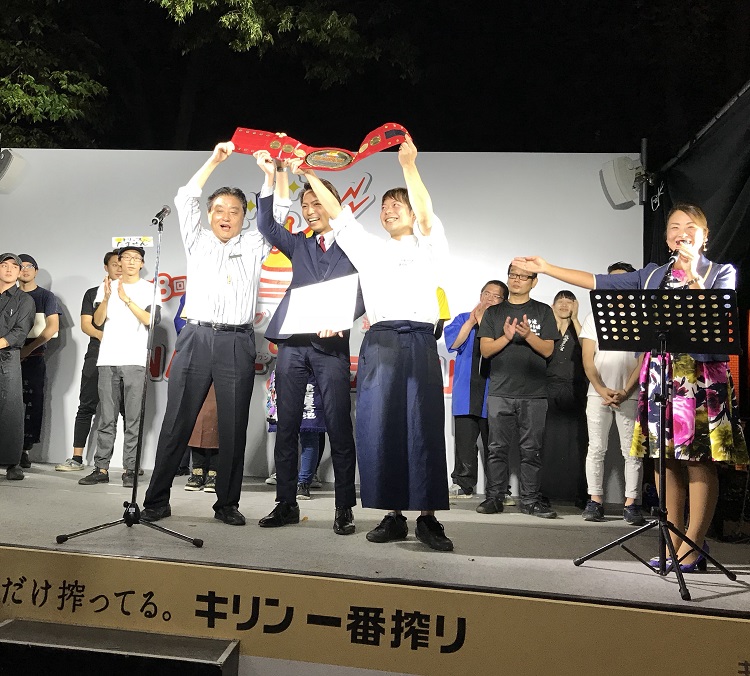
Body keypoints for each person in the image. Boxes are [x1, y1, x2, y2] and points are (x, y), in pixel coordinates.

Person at [513, 203, 749, 570]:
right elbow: (599, 282)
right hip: (660, 376)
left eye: (691, 226)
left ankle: (695, 546)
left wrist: (693, 276)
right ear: (667, 238)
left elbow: (715, 316)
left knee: (698, 460)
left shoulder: (721, 272)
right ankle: (673, 543)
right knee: (665, 461)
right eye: (674, 226)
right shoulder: (652, 275)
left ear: (705, 237)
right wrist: (546, 267)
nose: (682, 232)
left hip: (701, 379)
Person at [294, 135, 454, 551]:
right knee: (380, 428)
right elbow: (338, 214)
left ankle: (428, 519)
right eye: (384, 206)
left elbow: (426, 212)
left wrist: (408, 167)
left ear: (412, 212)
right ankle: (393, 515)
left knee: (423, 428)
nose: (389, 210)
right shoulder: (369, 250)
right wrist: (309, 172)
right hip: (379, 343)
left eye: (397, 204)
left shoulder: (430, 245)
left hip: (418, 341)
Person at [141, 143, 278, 527]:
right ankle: (156, 500)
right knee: (176, 422)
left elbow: (276, 215)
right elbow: (185, 197)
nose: (226, 216)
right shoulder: (197, 239)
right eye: (219, 210)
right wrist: (215, 160)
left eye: (235, 211)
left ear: (244, 217)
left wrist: (270, 176)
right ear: (209, 214)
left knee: (233, 427)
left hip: (237, 340)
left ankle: (227, 504)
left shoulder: (254, 243)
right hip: (196, 338)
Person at [255, 151, 361, 535]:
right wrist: (270, 178)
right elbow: (266, 224)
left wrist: (343, 319)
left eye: (317, 203)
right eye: (305, 205)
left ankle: (344, 507)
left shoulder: (354, 245)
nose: (310, 210)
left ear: (333, 206)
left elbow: (366, 291)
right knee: (286, 426)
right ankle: (285, 503)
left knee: (338, 427)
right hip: (293, 345)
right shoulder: (299, 243)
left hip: (330, 348)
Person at [477, 264, 560, 518]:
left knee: (531, 451)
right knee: (496, 449)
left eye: (524, 277)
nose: (517, 280)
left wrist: (528, 336)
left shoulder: (543, 311)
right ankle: (494, 498)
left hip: (534, 394)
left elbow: (548, 350)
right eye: (513, 275)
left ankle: (531, 500)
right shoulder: (494, 312)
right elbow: (485, 350)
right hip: (500, 392)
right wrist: (506, 337)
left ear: (534, 282)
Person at [77, 246, 160, 488]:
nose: (131, 262)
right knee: (107, 418)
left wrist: (126, 300)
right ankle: (101, 468)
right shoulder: (107, 286)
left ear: (142, 263)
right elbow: (97, 321)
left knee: (133, 418)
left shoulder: (149, 288)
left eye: (136, 258)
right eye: (126, 258)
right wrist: (106, 298)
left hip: (134, 359)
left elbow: (151, 320)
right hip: (107, 358)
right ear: (119, 262)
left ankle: (130, 470)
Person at [578, 261, 645, 525]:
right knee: (596, 448)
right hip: (598, 394)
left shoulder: (641, 318)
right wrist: (600, 388)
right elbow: (587, 358)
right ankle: (595, 501)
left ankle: (631, 503)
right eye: (612, 282)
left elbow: (643, 361)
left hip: (630, 394)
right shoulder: (593, 317)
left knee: (632, 451)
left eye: (623, 282)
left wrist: (627, 390)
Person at [56, 251, 123, 471]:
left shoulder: (134, 293)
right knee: (86, 404)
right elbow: (87, 325)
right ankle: (76, 458)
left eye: (122, 264)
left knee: (127, 410)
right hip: (97, 353)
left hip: (125, 355)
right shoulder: (93, 293)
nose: (119, 268)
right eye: (114, 264)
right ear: (106, 267)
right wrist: (105, 337)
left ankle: (130, 465)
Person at [444, 280, 508, 499]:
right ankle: (463, 484)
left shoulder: (505, 323)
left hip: (495, 391)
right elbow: (453, 344)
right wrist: (472, 321)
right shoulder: (463, 318)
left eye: (496, 296)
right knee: (464, 442)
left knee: (496, 444)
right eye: (486, 294)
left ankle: (499, 489)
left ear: (503, 301)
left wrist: (485, 323)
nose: (490, 299)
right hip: (466, 391)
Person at [540, 289, 589, 505]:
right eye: (559, 301)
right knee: (547, 443)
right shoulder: (546, 329)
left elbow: (588, 349)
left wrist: (575, 319)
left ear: (575, 305)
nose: (564, 304)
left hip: (575, 391)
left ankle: (579, 494)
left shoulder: (580, 328)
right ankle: (544, 492)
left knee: (577, 444)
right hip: (548, 390)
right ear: (552, 306)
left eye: (569, 301)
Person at [18, 253, 62, 467]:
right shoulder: (7, 295)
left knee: (32, 403)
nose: (24, 270)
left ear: (35, 271)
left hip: (34, 357)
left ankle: (24, 450)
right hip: (7, 355)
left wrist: (28, 349)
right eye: (21, 266)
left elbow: (52, 327)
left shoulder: (46, 296)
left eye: (29, 266)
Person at [0, 253, 36, 480]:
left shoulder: (24, 300)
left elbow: (20, 332)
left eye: (14, 266)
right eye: (4, 265)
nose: (9, 269)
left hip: (7, 357)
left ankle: (12, 462)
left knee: (10, 410)